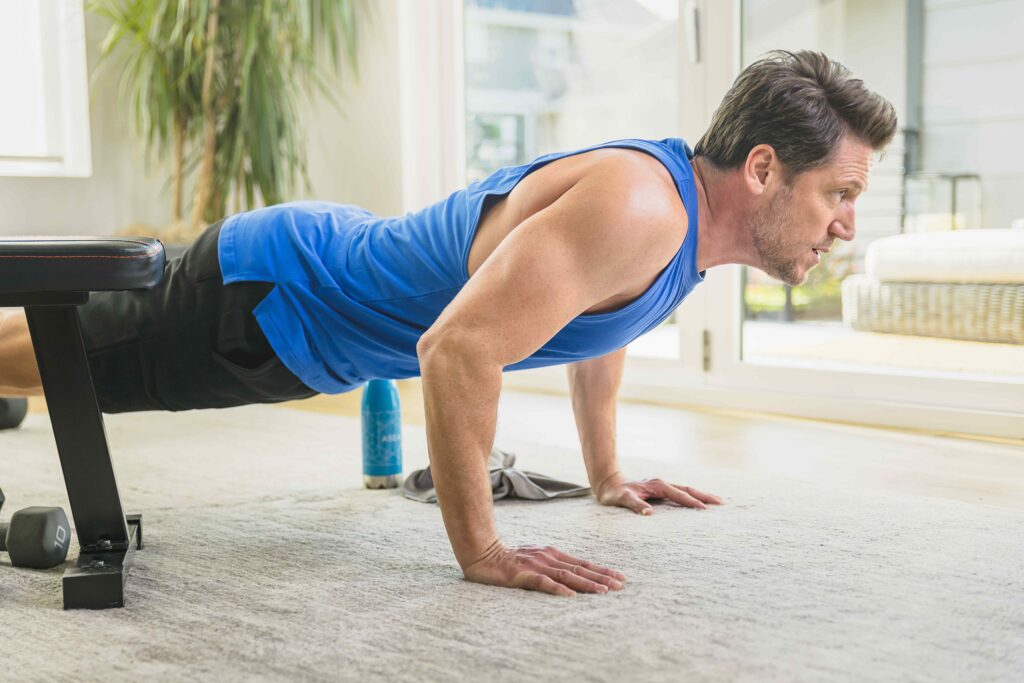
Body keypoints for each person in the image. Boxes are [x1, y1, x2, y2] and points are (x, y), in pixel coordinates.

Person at [0, 50, 896, 597]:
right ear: (766, 168)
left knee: (51, 364)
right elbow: (458, 348)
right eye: (841, 194)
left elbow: (602, 328)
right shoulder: (643, 206)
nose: (848, 222)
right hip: (278, 295)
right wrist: (484, 550)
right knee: (50, 365)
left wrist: (607, 472)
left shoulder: (683, 229)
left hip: (308, 323)